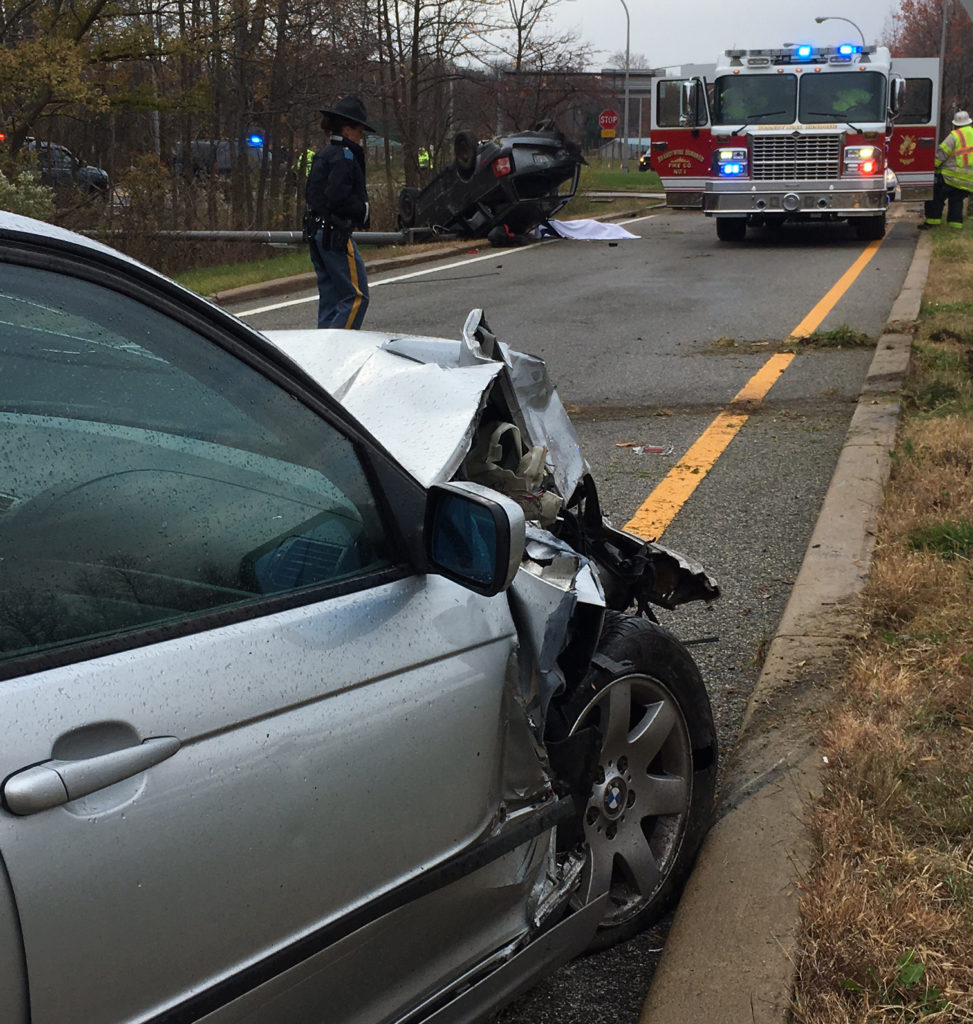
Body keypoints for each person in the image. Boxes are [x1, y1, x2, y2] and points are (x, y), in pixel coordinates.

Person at [305, 94, 373, 329]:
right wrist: (362, 211)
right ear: (347, 129)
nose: (362, 135)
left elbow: (313, 195)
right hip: (335, 234)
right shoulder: (345, 156)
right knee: (356, 297)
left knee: (331, 299)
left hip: (317, 233)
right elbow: (337, 197)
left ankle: (322, 353)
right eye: (359, 130)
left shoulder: (323, 154)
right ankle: (340, 350)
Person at [921, 110, 973, 230]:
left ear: (956, 124)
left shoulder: (955, 135)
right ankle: (955, 226)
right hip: (969, 180)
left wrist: (933, 166)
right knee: (957, 201)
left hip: (951, 176)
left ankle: (932, 222)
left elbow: (942, 153)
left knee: (935, 195)